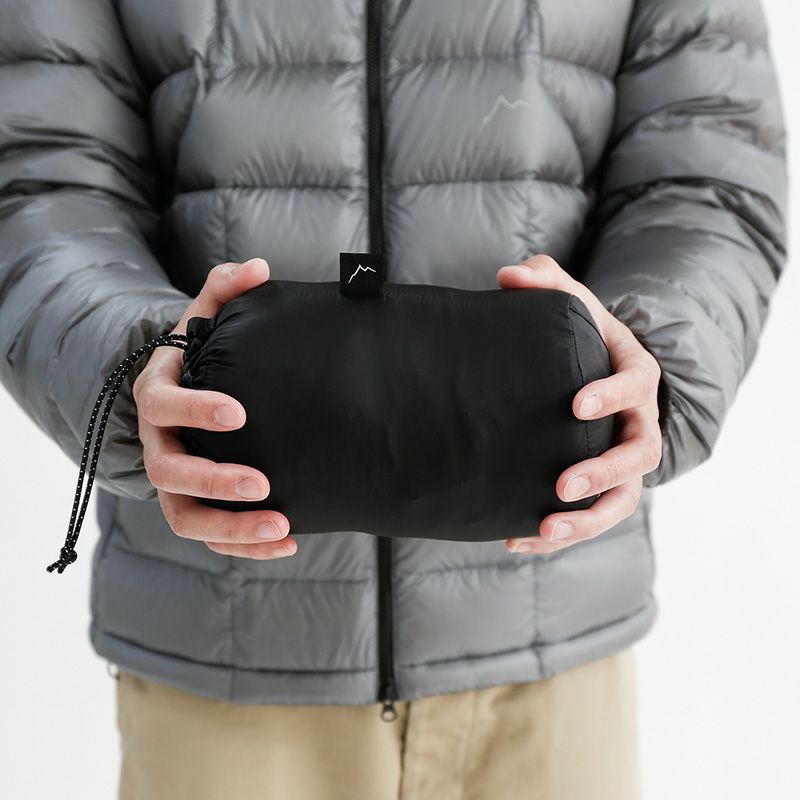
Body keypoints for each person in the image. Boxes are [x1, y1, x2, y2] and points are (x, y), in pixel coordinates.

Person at [0, 1, 787, 798]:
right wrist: (136, 367)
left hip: (548, 655)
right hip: (220, 658)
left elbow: (708, 174)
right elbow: (34, 178)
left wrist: (652, 356)